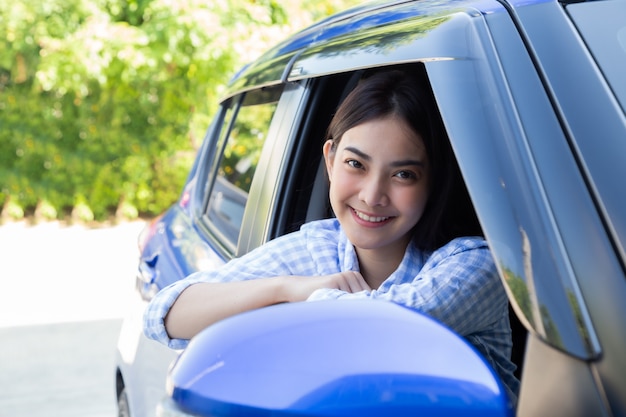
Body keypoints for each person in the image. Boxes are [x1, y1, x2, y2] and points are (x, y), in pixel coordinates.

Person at [144, 69, 520, 401]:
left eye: (403, 174)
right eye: (356, 164)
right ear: (330, 159)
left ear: (431, 182)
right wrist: (284, 290)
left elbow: (388, 327)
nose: (372, 195)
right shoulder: (314, 250)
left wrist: (303, 304)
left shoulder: (477, 264)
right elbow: (165, 314)